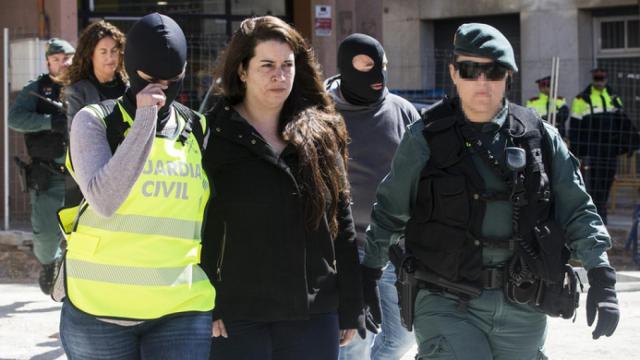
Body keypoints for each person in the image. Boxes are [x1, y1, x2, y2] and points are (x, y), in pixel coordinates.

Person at [361, 23, 620, 360]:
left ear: (508, 76)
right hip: (446, 299)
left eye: (494, 71)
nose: (482, 82)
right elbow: (390, 211)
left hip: (524, 301)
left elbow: (577, 209)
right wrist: (368, 273)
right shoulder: (423, 138)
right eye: (470, 70)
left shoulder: (539, 137)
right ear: (454, 74)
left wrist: (601, 274)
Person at [202, 15, 363, 360]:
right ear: (242, 71)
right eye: (267, 65)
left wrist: (351, 302)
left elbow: (341, 222)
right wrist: (209, 300)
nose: (280, 75)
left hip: (313, 314)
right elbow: (202, 225)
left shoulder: (319, 133)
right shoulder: (214, 134)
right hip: (238, 315)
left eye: (287, 65)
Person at [57, 13, 214, 359]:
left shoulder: (198, 129)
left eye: (173, 80)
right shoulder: (94, 121)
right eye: (149, 80)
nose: (161, 90)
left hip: (181, 307)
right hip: (99, 309)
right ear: (130, 71)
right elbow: (104, 199)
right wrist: (145, 121)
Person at [326, 33, 419, 360]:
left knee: (404, 336)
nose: (376, 76)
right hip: (343, 252)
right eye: (366, 66)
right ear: (346, 67)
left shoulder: (403, 112)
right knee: (354, 341)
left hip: (392, 250)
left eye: (381, 66)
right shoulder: (321, 113)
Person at [9, 38, 75, 295]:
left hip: (80, 174)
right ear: (48, 62)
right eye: (56, 59)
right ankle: (50, 264)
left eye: (67, 58)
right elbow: (15, 119)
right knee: (46, 237)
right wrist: (50, 122)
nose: (63, 63)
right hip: (48, 174)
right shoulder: (36, 88)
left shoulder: (84, 84)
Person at [61, 20, 127, 206]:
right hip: (89, 179)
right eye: (103, 52)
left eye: (114, 50)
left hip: (127, 174)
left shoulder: (131, 90)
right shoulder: (78, 92)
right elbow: (77, 140)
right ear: (91, 54)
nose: (110, 57)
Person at [568, 68, 639, 224]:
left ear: (606, 79)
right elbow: (575, 127)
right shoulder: (582, 99)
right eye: (597, 79)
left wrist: (630, 142)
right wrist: (576, 152)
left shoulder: (612, 97)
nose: (600, 82)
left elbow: (623, 121)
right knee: (595, 183)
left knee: (607, 180)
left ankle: (601, 211)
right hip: (593, 148)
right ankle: (597, 215)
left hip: (610, 148)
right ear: (593, 80)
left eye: (602, 79)